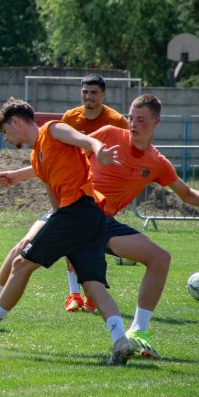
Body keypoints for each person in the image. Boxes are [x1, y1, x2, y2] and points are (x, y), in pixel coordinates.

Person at [0, 94, 199, 360]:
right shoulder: (107, 135)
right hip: (80, 214)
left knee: (158, 258)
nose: (133, 124)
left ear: (156, 122)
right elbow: (68, 151)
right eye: (131, 118)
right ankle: (119, 340)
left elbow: (185, 193)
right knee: (87, 282)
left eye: (140, 119)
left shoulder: (156, 161)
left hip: (88, 214)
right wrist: (21, 177)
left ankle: (138, 331)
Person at [0, 97, 137, 366]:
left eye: (5, 130)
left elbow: (84, 140)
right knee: (92, 286)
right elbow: (54, 200)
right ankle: (121, 341)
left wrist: (100, 151)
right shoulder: (37, 156)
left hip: (79, 212)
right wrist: (18, 176)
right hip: (87, 218)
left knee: (21, 264)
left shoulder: (52, 129)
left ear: (16, 121)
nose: (5, 138)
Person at [61, 73, 129, 312]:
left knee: (96, 242)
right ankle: (74, 295)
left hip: (103, 191)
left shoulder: (116, 121)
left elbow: (126, 154)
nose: (88, 96)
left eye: (93, 92)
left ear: (103, 94)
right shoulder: (70, 117)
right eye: (85, 92)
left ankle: (92, 293)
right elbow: (61, 150)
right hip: (74, 185)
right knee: (70, 238)